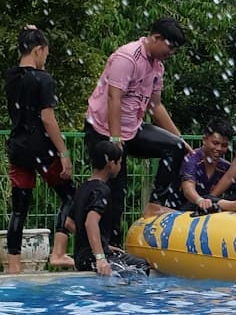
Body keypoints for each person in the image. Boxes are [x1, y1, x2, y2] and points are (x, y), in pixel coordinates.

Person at [84, 18, 190, 238]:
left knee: (175, 148)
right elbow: (114, 98)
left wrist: (182, 140)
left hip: (132, 128)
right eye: (170, 47)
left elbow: (155, 106)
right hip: (104, 129)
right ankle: (108, 244)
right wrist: (115, 141)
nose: (171, 53)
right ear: (156, 38)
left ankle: (156, 204)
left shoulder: (157, 67)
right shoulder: (127, 57)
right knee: (115, 191)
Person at [5, 25, 74, 271]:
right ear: (38, 50)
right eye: (45, 52)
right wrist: (64, 153)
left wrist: (32, 33)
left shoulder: (11, 77)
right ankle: (58, 253)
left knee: (19, 209)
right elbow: (48, 119)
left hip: (18, 148)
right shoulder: (44, 80)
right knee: (71, 197)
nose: (46, 57)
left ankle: (14, 265)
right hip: (42, 151)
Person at [68, 138, 147, 276]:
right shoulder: (102, 190)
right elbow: (90, 222)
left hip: (81, 259)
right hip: (93, 259)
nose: (120, 167)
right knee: (141, 267)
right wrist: (100, 257)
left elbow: (69, 223)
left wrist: (102, 245)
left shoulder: (82, 188)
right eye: (119, 163)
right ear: (110, 164)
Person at [173, 120, 236, 214]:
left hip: (211, 206)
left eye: (224, 145)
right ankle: (234, 205)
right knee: (208, 199)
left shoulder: (224, 167)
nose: (219, 149)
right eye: (215, 143)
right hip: (185, 208)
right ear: (204, 139)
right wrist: (200, 200)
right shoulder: (192, 159)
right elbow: (188, 189)